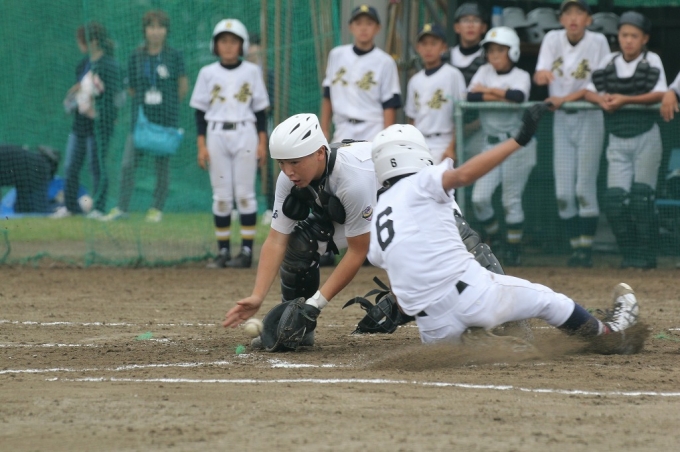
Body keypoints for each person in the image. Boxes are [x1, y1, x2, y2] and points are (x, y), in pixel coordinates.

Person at [363, 107, 643, 355]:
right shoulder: (422, 181)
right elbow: (462, 175)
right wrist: (518, 140)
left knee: (453, 353)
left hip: (433, 327)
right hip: (473, 296)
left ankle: (475, 342)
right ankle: (609, 335)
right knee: (548, 301)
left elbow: (402, 297)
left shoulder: (378, 217)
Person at [222, 113, 378, 346]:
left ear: (320, 152)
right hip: (363, 211)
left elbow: (358, 251)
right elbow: (276, 240)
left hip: (402, 214)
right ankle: (295, 329)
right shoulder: (289, 178)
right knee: (300, 244)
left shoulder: (353, 181)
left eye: (295, 162)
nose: (288, 171)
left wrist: (315, 305)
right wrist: (257, 296)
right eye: (281, 163)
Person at [584, 12, 667, 269]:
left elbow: (660, 93)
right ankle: (630, 254)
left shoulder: (651, 59)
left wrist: (624, 100)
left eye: (634, 35)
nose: (628, 40)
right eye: (624, 35)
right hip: (617, 137)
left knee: (642, 199)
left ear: (644, 38)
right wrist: (602, 100)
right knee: (615, 200)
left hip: (645, 136)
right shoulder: (609, 61)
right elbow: (588, 91)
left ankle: (647, 255)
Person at [533, 0, 610, 268]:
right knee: (564, 192)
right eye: (568, 13)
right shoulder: (552, 38)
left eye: (579, 12)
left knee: (583, 188)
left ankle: (585, 252)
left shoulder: (598, 41)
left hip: (589, 117)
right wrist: (542, 75)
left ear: (589, 18)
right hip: (562, 119)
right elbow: (539, 74)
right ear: (561, 18)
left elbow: (597, 86)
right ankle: (576, 247)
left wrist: (564, 98)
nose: (573, 18)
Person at [189, 18, 270, 268]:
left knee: (245, 195)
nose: (228, 45)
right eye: (223, 41)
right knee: (222, 197)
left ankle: (246, 252)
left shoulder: (252, 71)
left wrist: (262, 142)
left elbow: (260, 111)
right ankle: (223, 251)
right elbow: (200, 113)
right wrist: (201, 145)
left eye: (233, 41)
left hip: (245, 131)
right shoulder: (207, 73)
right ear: (215, 45)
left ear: (242, 45)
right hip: (216, 134)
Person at [102, 10, 188, 223]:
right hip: (141, 121)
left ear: (166, 31)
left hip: (166, 121)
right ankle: (122, 207)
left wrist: (167, 105)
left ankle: (156, 209)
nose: (155, 31)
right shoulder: (136, 56)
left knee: (162, 167)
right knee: (128, 164)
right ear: (145, 30)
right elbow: (131, 88)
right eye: (151, 27)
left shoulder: (174, 55)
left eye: (160, 27)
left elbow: (183, 86)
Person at [467, 26, 535, 266]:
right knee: (480, 198)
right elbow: (471, 96)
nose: (494, 55)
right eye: (491, 50)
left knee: (510, 200)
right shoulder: (484, 71)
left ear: (512, 51)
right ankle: (495, 238)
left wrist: (487, 90)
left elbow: (518, 97)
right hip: (491, 144)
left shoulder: (521, 75)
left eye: (500, 50)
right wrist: (500, 94)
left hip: (516, 144)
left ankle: (513, 250)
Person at [52, 22, 122, 219]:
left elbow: (116, 97)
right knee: (71, 165)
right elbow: (80, 89)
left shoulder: (110, 65)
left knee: (96, 166)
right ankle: (70, 207)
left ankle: (98, 208)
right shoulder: (83, 64)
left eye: (82, 40)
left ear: (94, 41)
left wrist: (104, 111)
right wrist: (75, 94)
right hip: (79, 125)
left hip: (99, 126)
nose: (80, 44)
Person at [320, 4, 401, 144]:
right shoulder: (336, 55)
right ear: (350, 27)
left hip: (373, 129)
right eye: (358, 23)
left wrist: (386, 139)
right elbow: (328, 94)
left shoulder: (385, 62)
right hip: (342, 128)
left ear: (378, 28)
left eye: (369, 23)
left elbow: (389, 104)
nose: (363, 28)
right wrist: (324, 129)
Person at [405, 23, 466, 165]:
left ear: (443, 47)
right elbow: (412, 118)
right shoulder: (414, 80)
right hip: (419, 142)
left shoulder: (453, 75)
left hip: (443, 142)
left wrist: (451, 147)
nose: (428, 48)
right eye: (424, 44)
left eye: (433, 43)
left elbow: (461, 115)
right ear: (418, 48)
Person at [450, 2, 488, 161]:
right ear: (457, 27)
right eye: (465, 20)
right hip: (447, 131)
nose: (470, 25)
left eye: (476, 20)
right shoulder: (445, 57)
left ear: (483, 27)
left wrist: (472, 126)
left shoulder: (490, 59)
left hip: (479, 129)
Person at [0, 145, 60, 214]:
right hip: (28, 170)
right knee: (24, 209)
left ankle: (58, 210)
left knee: (38, 210)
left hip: (35, 169)